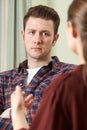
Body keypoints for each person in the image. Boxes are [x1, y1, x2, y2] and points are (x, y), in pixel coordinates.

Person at [11, 0, 87, 130]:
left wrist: (16, 116)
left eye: (45, 34)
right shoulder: (2, 79)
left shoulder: (67, 82)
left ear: (56, 38)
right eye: (31, 32)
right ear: (23, 35)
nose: (37, 40)